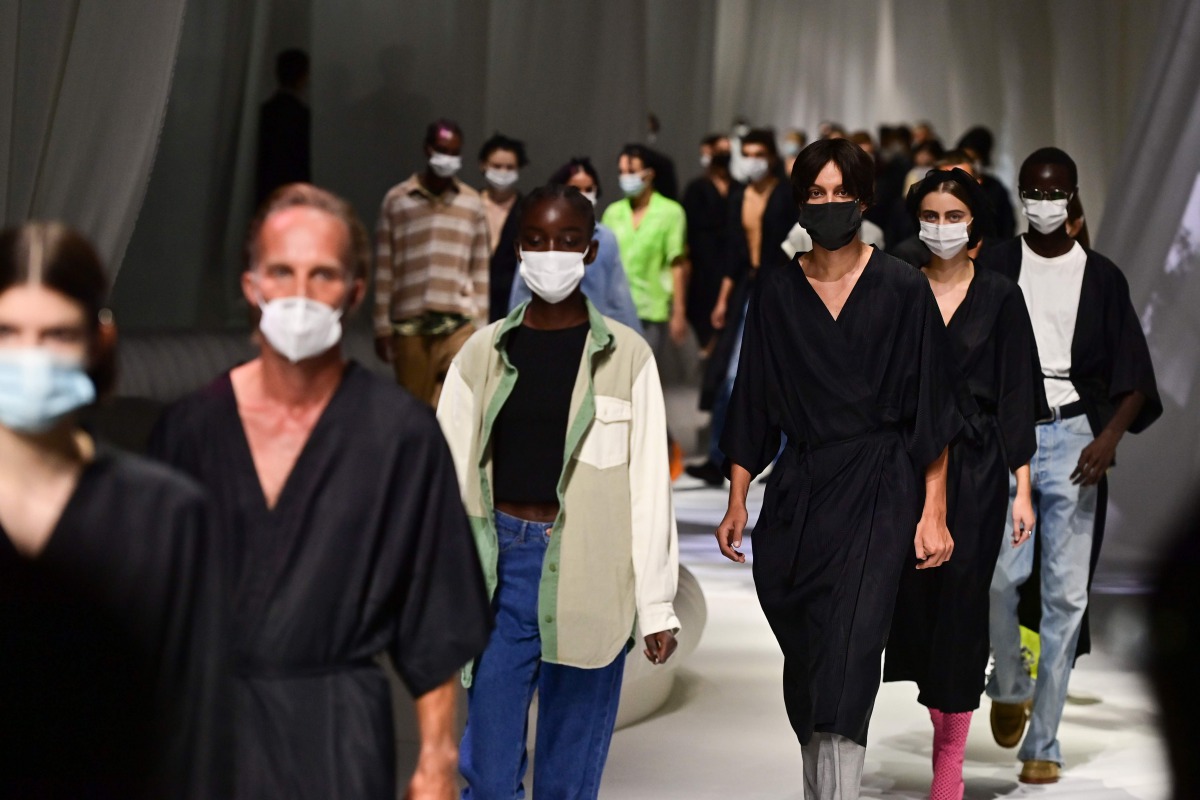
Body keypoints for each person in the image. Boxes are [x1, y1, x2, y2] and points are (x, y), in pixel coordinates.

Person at [150, 184, 492, 798]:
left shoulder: (400, 436)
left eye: (323, 274)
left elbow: (433, 613)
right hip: (207, 735)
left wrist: (437, 761)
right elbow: (147, 609)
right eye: (281, 271)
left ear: (355, 292)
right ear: (251, 284)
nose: (300, 294)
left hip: (338, 733)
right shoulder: (191, 431)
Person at [715, 139, 970, 800]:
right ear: (800, 203)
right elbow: (753, 397)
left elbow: (929, 406)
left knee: (854, 650)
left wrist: (933, 509)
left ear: (864, 198)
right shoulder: (774, 288)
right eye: (816, 195)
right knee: (806, 652)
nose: (830, 205)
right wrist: (739, 495)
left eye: (841, 192)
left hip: (880, 482)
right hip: (801, 483)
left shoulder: (901, 288)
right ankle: (818, 784)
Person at [439, 184, 680, 799]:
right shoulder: (481, 353)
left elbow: (649, 486)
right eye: (539, 240)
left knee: (567, 783)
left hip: (592, 572)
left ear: (591, 251)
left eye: (568, 241)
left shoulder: (627, 357)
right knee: (488, 777)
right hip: (500, 575)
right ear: (519, 249)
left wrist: (655, 604)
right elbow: (442, 476)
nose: (553, 254)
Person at [0, 221, 227, 798]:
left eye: (56, 335)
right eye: (7, 332)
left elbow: (193, 734)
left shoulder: (165, 517)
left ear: (97, 343)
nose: (29, 358)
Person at [982, 147, 1161, 785]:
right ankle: (1008, 682)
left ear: (1073, 196)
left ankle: (1045, 742)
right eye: (1032, 190)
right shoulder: (999, 263)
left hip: (1079, 441)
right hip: (1012, 437)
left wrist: (1110, 436)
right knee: (1001, 578)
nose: (1042, 201)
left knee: (1064, 595)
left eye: (1053, 191)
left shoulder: (1102, 277)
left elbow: (1135, 375)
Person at [882, 169, 1046, 800]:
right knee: (912, 605)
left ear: (975, 223)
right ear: (916, 220)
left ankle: (947, 764)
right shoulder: (898, 288)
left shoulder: (1001, 295)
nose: (942, 227)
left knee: (961, 611)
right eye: (932, 214)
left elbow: (1014, 396)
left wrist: (1022, 487)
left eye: (955, 216)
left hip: (976, 471)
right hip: (904, 463)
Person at [688, 128, 792, 487]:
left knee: (784, 376)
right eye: (746, 152)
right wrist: (722, 299)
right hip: (747, 290)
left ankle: (782, 459)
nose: (752, 159)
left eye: (758, 152)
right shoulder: (739, 195)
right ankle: (722, 458)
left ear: (772, 155)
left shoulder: (787, 193)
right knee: (730, 377)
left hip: (783, 290)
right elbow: (734, 251)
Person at [374, 118, 490, 405]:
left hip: (459, 323)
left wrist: (482, 326)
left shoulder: (471, 203)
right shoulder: (398, 200)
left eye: (454, 153)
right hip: (411, 324)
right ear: (427, 149)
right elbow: (385, 265)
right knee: (414, 409)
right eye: (442, 150)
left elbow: (479, 268)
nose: (447, 159)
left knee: (457, 408)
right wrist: (381, 325)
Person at [508, 157, 642, 333]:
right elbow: (522, 290)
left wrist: (632, 341)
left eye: (589, 189)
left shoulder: (605, 239)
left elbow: (618, 296)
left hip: (593, 333)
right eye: (576, 189)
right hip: (543, 328)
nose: (583, 194)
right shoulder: (539, 235)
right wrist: (513, 333)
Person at [602, 143, 689, 358]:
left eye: (631, 171)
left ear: (649, 174)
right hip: (614, 307)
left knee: (643, 374)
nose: (625, 177)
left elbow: (676, 263)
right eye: (621, 172)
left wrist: (679, 311)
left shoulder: (671, 212)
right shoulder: (613, 212)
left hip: (651, 307)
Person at [682, 133, 735, 351]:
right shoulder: (696, 189)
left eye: (727, 150)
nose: (723, 155)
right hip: (702, 266)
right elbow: (687, 230)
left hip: (731, 263)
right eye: (719, 150)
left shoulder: (739, 187)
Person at [478, 132, 527, 322]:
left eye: (510, 167)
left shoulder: (526, 211)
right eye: (497, 166)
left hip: (512, 308)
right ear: (483, 165)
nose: (503, 173)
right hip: (471, 308)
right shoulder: (470, 205)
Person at [256, 48, 311, 205]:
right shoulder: (302, 114)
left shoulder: (265, 111)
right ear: (303, 76)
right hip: (293, 189)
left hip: (265, 185)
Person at [956, 126, 1016, 240]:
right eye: (963, 158)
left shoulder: (995, 189)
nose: (968, 164)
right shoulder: (950, 184)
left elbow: (1007, 226)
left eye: (972, 159)